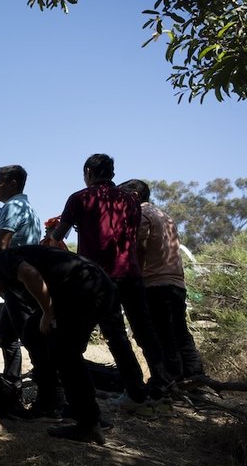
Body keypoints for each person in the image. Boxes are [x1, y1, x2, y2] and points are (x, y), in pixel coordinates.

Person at [0, 246, 128, 445]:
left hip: (85, 289)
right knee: (36, 333)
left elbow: (30, 273)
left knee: (65, 354)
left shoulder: (3, 262)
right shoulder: (10, 277)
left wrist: (48, 312)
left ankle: (87, 422)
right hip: (97, 285)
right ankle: (62, 404)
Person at [45, 154, 169, 406]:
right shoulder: (132, 201)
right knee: (144, 330)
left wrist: (58, 229)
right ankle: (163, 383)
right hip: (131, 273)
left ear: (89, 171)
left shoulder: (80, 198)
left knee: (114, 334)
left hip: (99, 277)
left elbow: (59, 235)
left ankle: (134, 392)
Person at [118, 179, 205, 384]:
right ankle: (196, 378)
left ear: (135, 197)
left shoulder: (141, 214)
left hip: (154, 283)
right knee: (180, 332)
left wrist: (134, 276)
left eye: (123, 197)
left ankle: (169, 381)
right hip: (176, 283)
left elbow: (138, 246)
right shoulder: (165, 216)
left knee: (161, 334)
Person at [0, 166, 46, 394]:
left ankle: (49, 392)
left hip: (17, 281)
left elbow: (2, 245)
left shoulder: (12, 206)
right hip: (24, 279)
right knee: (7, 334)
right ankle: (12, 381)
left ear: (12, 183)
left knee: (30, 337)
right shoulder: (28, 207)